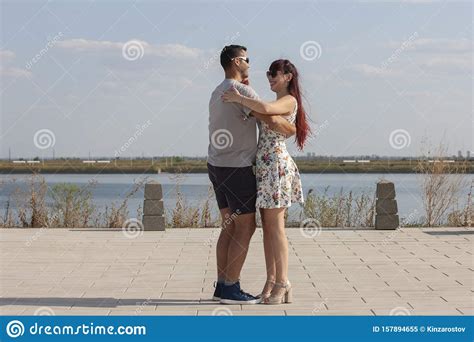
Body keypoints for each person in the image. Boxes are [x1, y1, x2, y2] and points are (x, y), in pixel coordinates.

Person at [208, 46, 296, 304]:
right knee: (246, 227)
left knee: (229, 226)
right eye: (247, 59)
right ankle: (232, 288)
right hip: (238, 167)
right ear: (237, 62)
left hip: (216, 165)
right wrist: (292, 128)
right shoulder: (242, 92)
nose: (250, 63)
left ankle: (222, 286)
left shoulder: (217, 91)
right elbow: (273, 121)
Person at [222, 59, 310, 304]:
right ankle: (271, 280)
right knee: (268, 228)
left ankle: (283, 281)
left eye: (275, 73)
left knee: (276, 228)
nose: (270, 76)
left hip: (276, 166)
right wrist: (251, 100)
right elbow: (266, 113)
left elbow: (266, 112)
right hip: (264, 166)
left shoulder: (289, 100)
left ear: (288, 77)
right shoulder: (273, 102)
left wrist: (239, 97)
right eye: (269, 72)